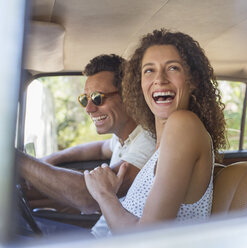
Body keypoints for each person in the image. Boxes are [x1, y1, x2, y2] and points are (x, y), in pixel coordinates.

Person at [84, 29, 226, 236]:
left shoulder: (184, 124)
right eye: (149, 71)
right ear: (139, 83)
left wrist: (104, 196)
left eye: (173, 68)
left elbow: (147, 236)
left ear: (193, 80)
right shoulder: (163, 142)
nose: (160, 79)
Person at [16, 54, 156, 219]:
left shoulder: (148, 141)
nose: (88, 109)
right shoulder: (122, 138)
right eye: (85, 99)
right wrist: (52, 158)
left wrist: (17, 159)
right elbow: (97, 149)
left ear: (129, 97)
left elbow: (90, 197)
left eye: (97, 98)